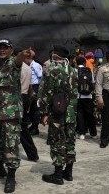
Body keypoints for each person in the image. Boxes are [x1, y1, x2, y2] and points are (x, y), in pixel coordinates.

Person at [0, 38, 30, 193]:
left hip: (11, 114)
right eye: (0, 47)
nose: (2, 50)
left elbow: (18, 61)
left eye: (5, 48)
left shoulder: (13, 63)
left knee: (11, 146)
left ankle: (11, 177)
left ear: (11, 50)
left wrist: (23, 55)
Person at [38, 45, 78, 185]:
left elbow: (46, 93)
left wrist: (43, 112)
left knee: (57, 142)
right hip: (71, 113)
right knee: (70, 142)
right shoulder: (73, 71)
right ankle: (69, 172)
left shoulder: (52, 70)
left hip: (57, 113)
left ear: (55, 55)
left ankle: (58, 175)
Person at [18, 51, 39, 161]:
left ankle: (32, 153)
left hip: (17, 98)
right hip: (25, 97)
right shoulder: (27, 68)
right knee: (23, 128)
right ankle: (32, 154)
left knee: (21, 128)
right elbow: (30, 87)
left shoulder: (18, 68)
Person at [75, 56, 97, 140]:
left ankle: (81, 133)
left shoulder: (75, 71)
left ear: (76, 63)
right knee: (90, 115)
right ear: (84, 63)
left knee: (80, 115)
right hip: (88, 96)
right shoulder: (89, 71)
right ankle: (93, 133)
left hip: (78, 96)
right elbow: (93, 82)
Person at [25, 50, 42, 136]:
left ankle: (35, 127)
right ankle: (32, 125)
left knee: (35, 108)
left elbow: (41, 76)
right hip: (31, 87)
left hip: (36, 87)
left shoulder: (35, 65)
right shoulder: (30, 65)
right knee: (31, 108)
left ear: (29, 58)